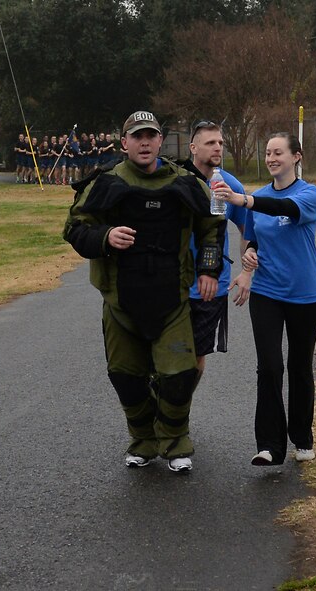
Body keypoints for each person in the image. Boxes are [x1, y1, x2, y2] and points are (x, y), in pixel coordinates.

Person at [63, 110, 224, 473]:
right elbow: (74, 229)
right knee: (125, 377)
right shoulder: (104, 183)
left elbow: (213, 224)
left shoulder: (185, 181)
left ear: (160, 140)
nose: (145, 142)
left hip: (172, 301)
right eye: (137, 136)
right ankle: (143, 441)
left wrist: (209, 269)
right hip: (121, 303)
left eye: (151, 135)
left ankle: (175, 442)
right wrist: (105, 237)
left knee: (180, 375)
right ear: (124, 143)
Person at [212, 132, 316, 466]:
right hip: (267, 294)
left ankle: (302, 439)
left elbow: (284, 208)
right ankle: (270, 446)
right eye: (267, 153)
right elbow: (256, 239)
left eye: (278, 153)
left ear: (296, 157)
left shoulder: (308, 194)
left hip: (305, 295)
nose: (272, 158)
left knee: (300, 367)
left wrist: (243, 200)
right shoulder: (259, 197)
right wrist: (249, 259)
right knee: (270, 367)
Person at [182, 122, 252, 391]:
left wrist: (246, 271)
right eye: (210, 142)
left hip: (211, 286)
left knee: (196, 356)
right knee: (167, 353)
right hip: (175, 281)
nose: (218, 147)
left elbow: (248, 230)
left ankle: (179, 411)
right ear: (193, 147)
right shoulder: (177, 180)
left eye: (220, 143)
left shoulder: (228, 185)